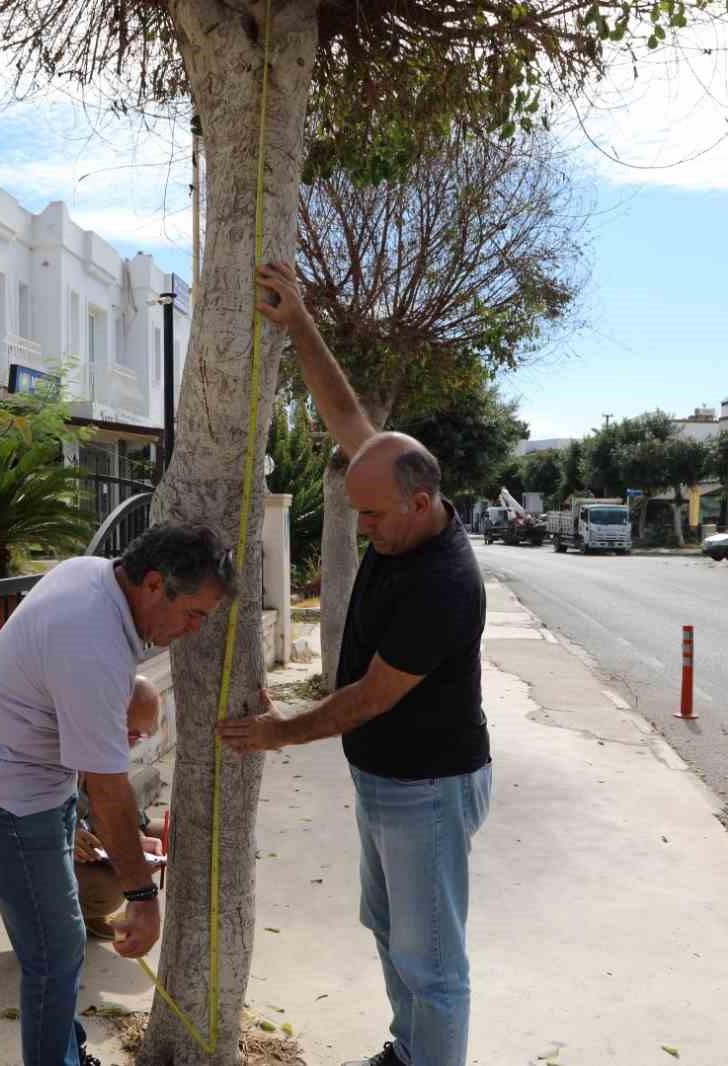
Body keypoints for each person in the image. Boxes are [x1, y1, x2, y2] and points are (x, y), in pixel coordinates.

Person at [218, 260, 493, 1066]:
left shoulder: (445, 584)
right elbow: (346, 414)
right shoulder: (394, 492)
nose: (361, 527)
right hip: (386, 779)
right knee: (388, 931)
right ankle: (409, 1053)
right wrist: (300, 321)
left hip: (428, 786)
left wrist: (276, 734)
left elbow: (369, 698)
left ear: (419, 502)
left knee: (433, 964)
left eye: (371, 516)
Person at [0, 525, 234, 1066]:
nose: (194, 630)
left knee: (58, 944)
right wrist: (143, 899)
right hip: (2, 799)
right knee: (56, 952)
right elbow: (108, 789)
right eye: (194, 613)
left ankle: (65, 1051)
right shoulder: (91, 641)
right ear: (152, 584)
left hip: (26, 786)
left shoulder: (91, 575)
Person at [75, 676, 167, 941]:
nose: (135, 742)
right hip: (45, 848)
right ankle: (69, 918)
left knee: (177, 834)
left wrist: (136, 838)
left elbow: (118, 811)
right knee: (112, 889)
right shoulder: (65, 750)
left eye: (143, 735)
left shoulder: (108, 746)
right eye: (132, 733)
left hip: (90, 841)